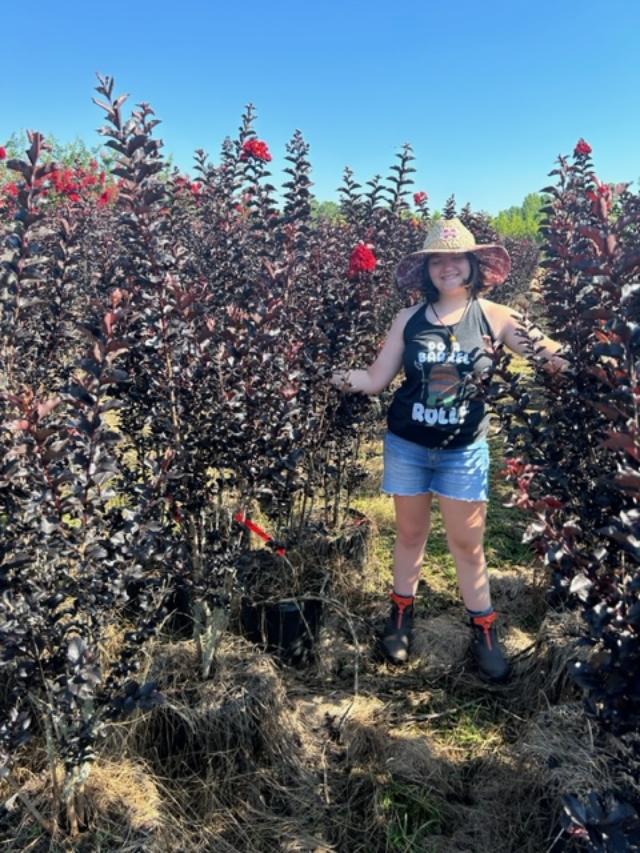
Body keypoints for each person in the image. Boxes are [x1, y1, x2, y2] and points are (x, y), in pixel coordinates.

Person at [331, 218, 566, 682]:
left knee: (467, 544)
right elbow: (376, 379)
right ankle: (400, 616)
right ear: (426, 269)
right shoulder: (409, 319)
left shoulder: (493, 316)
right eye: (437, 259)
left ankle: (484, 630)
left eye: (456, 258)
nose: (447, 267)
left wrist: (589, 361)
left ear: (473, 264)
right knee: (410, 536)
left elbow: (543, 353)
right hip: (407, 445)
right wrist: (323, 374)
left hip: (462, 452)